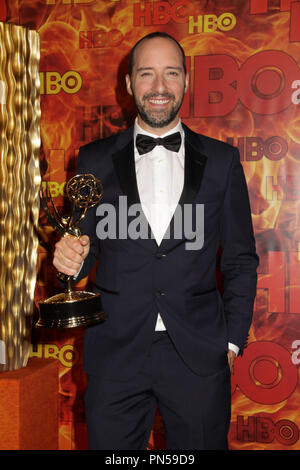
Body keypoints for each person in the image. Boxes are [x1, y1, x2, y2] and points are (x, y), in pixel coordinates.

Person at [53, 32, 259, 450]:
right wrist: (66, 261)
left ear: (186, 81)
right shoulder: (92, 159)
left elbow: (240, 260)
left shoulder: (222, 162)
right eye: (147, 74)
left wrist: (232, 340)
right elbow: (80, 251)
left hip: (198, 354)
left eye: (170, 74)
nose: (160, 87)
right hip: (116, 350)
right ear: (129, 84)